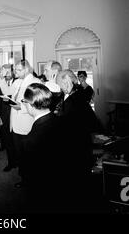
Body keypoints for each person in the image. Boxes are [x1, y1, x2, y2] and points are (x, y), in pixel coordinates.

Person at [56, 69, 98, 211]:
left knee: (78, 175)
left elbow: (76, 122)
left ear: (67, 81)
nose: (60, 88)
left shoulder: (76, 97)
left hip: (77, 142)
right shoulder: (72, 94)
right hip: (78, 140)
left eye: (61, 84)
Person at [21, 83, 67, 212]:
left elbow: (32, 179)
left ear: (30, 105)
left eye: (24, 101)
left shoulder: (31, 139)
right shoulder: (61, 120)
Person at [10, 60, 41, 188]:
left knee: (29, 155)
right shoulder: (16, 82)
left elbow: (36, 104)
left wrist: (18, 106)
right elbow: (13, 98)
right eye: (15, 69)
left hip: (27, 123)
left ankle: (31, 181)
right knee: (20, 154)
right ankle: (24, 178)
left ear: (26, 69)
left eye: (18, 70)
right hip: (15, 123)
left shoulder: (35, 82)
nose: (15, 72)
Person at [0, 64, 17, 172]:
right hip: (4, 116)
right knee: (7, 141)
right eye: (4, 72)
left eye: (8, 72)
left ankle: (19, 162)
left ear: (12, 72)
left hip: (17, 116)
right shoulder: (0, 83)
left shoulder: (18, 82)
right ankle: (11, 162)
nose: (6, 74)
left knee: (17, 141)